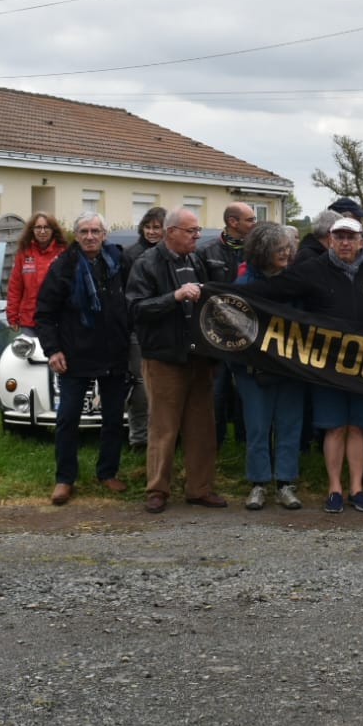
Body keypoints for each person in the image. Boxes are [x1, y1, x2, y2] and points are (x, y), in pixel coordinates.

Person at [251, 217, 363, 513]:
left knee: (358, 427)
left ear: (361, 241)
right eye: (339, 237)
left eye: (350, 237)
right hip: (327, 366)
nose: (345, 242)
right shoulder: (312, 269)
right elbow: (272, 290)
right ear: (330, 239)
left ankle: (356, 488)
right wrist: (220, 291)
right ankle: (334, 489)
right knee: (334, 427)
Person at [126, 207, 224, 513]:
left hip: (198, 357)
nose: (197, 236)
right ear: (171, 232)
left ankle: (199, 489)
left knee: (202, 428)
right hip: (164, 358)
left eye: (197, 230)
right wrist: (175, 297)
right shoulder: (147, 263)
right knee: (163, 428)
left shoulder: (196, 260)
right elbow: (136, 309)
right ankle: (157, 490)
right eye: (191, 231)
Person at [35, 214, 131, 506]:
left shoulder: (119, 262)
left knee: (113, 418)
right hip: (75, 354)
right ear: (76, 236)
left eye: (95, 231)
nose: (90, 236)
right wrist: (53, 350)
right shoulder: (63, 266)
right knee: (67, 418)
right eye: (84, 231)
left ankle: (107, 472)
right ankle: (65, 478)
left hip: (114, 352)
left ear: (104, 234)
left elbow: (135, 299)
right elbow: (44, 314)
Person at [231, 223, 306, 512]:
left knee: (289, 425)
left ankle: (286, 483)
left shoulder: (295, 282)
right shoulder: (243, 285)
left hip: (290, 368)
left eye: (288, 247)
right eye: (279, 249)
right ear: (263, 251)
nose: (286, 253)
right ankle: (258, 483)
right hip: (254, 371)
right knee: (258, 427)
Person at [199, 202, 258, 451]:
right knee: (218, 390)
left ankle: (246, 441)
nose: (254, 224)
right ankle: (215, 444)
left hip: (248, 331)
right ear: (233, 222)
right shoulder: (207, 251)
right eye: (250, 219)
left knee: (247, 390)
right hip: (217, 332)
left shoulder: (256, 251)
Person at [121, 207, 165, 450]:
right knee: (139, 384)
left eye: (157, 227)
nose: (151, 232)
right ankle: (138, 437)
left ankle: (164, 435)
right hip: (138, 328)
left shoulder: (173, 254)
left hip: (164, 328)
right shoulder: (131, 254)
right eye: (147, 227)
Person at [6, 211, 67, 332]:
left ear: (53, 230)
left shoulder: (63, 253)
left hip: (56, 320)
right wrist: (12, 316)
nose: (42, 231)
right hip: (29, 320)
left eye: (46, 227)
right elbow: (15, 287)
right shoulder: (23, 253)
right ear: (32, 230)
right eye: (38, 227)